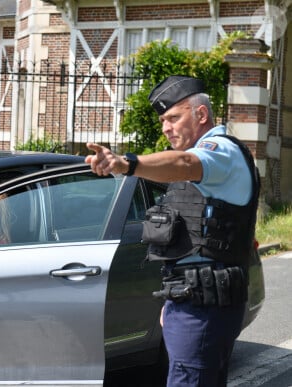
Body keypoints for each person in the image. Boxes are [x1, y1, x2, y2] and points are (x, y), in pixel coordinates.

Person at [85, 75, 260, 387]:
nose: (166, 127)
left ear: (201, 115)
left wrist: (125, 163)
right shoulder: (212, 163)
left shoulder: (218, 152)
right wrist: (173, 302)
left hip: (203, 306)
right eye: (163, 120)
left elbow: (183, 162)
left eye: (174, 118)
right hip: (195, 301)